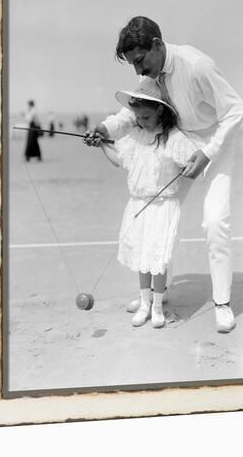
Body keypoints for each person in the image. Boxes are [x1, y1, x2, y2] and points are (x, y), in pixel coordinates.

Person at [85, 16, 243, 333]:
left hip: (216, 145)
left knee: (214, 221)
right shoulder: (151, 73)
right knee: (160, 213)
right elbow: (131, 112)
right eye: (132, 64)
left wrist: (208, 152)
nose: (138, 71)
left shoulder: (197, 65)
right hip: (178, 142)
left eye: (140, 61)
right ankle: (157, 295)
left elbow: (235, 109)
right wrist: (104, 129)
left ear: (157, 45)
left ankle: (222, 303)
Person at [85, 79, 197, 328]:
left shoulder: (173, 137)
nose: (141, 122)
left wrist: (191, 165)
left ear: (160, 110)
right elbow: (120, 160)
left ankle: (157, 307)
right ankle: (144, 301)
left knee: (157, 258)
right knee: (141, 255)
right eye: (138, 117)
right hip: (137, 204)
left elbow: (193, 159)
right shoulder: (135, 135)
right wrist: (102, 144)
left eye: (146, 117)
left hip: (163, 206)